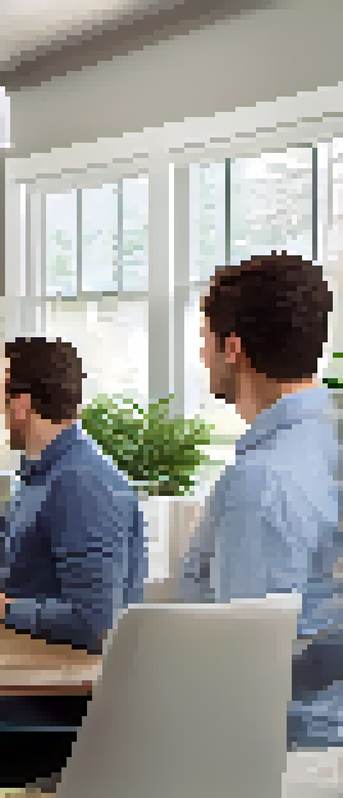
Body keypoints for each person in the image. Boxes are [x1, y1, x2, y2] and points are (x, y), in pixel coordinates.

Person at [0, 337, 147, 794]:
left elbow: (96, 622)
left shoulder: (82, 483)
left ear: (22, 403)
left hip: (69, 701)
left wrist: (7, 612)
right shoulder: (41, 474)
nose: (1, 408)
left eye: (3, 394)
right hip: (35, 672)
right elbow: (4, 550)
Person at [176, 252, 341, 751]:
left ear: (233, 348)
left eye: (203, 338)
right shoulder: (325, 443)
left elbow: (242, 671)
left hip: (276, 757)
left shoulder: (264, 481)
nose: (200, 355)